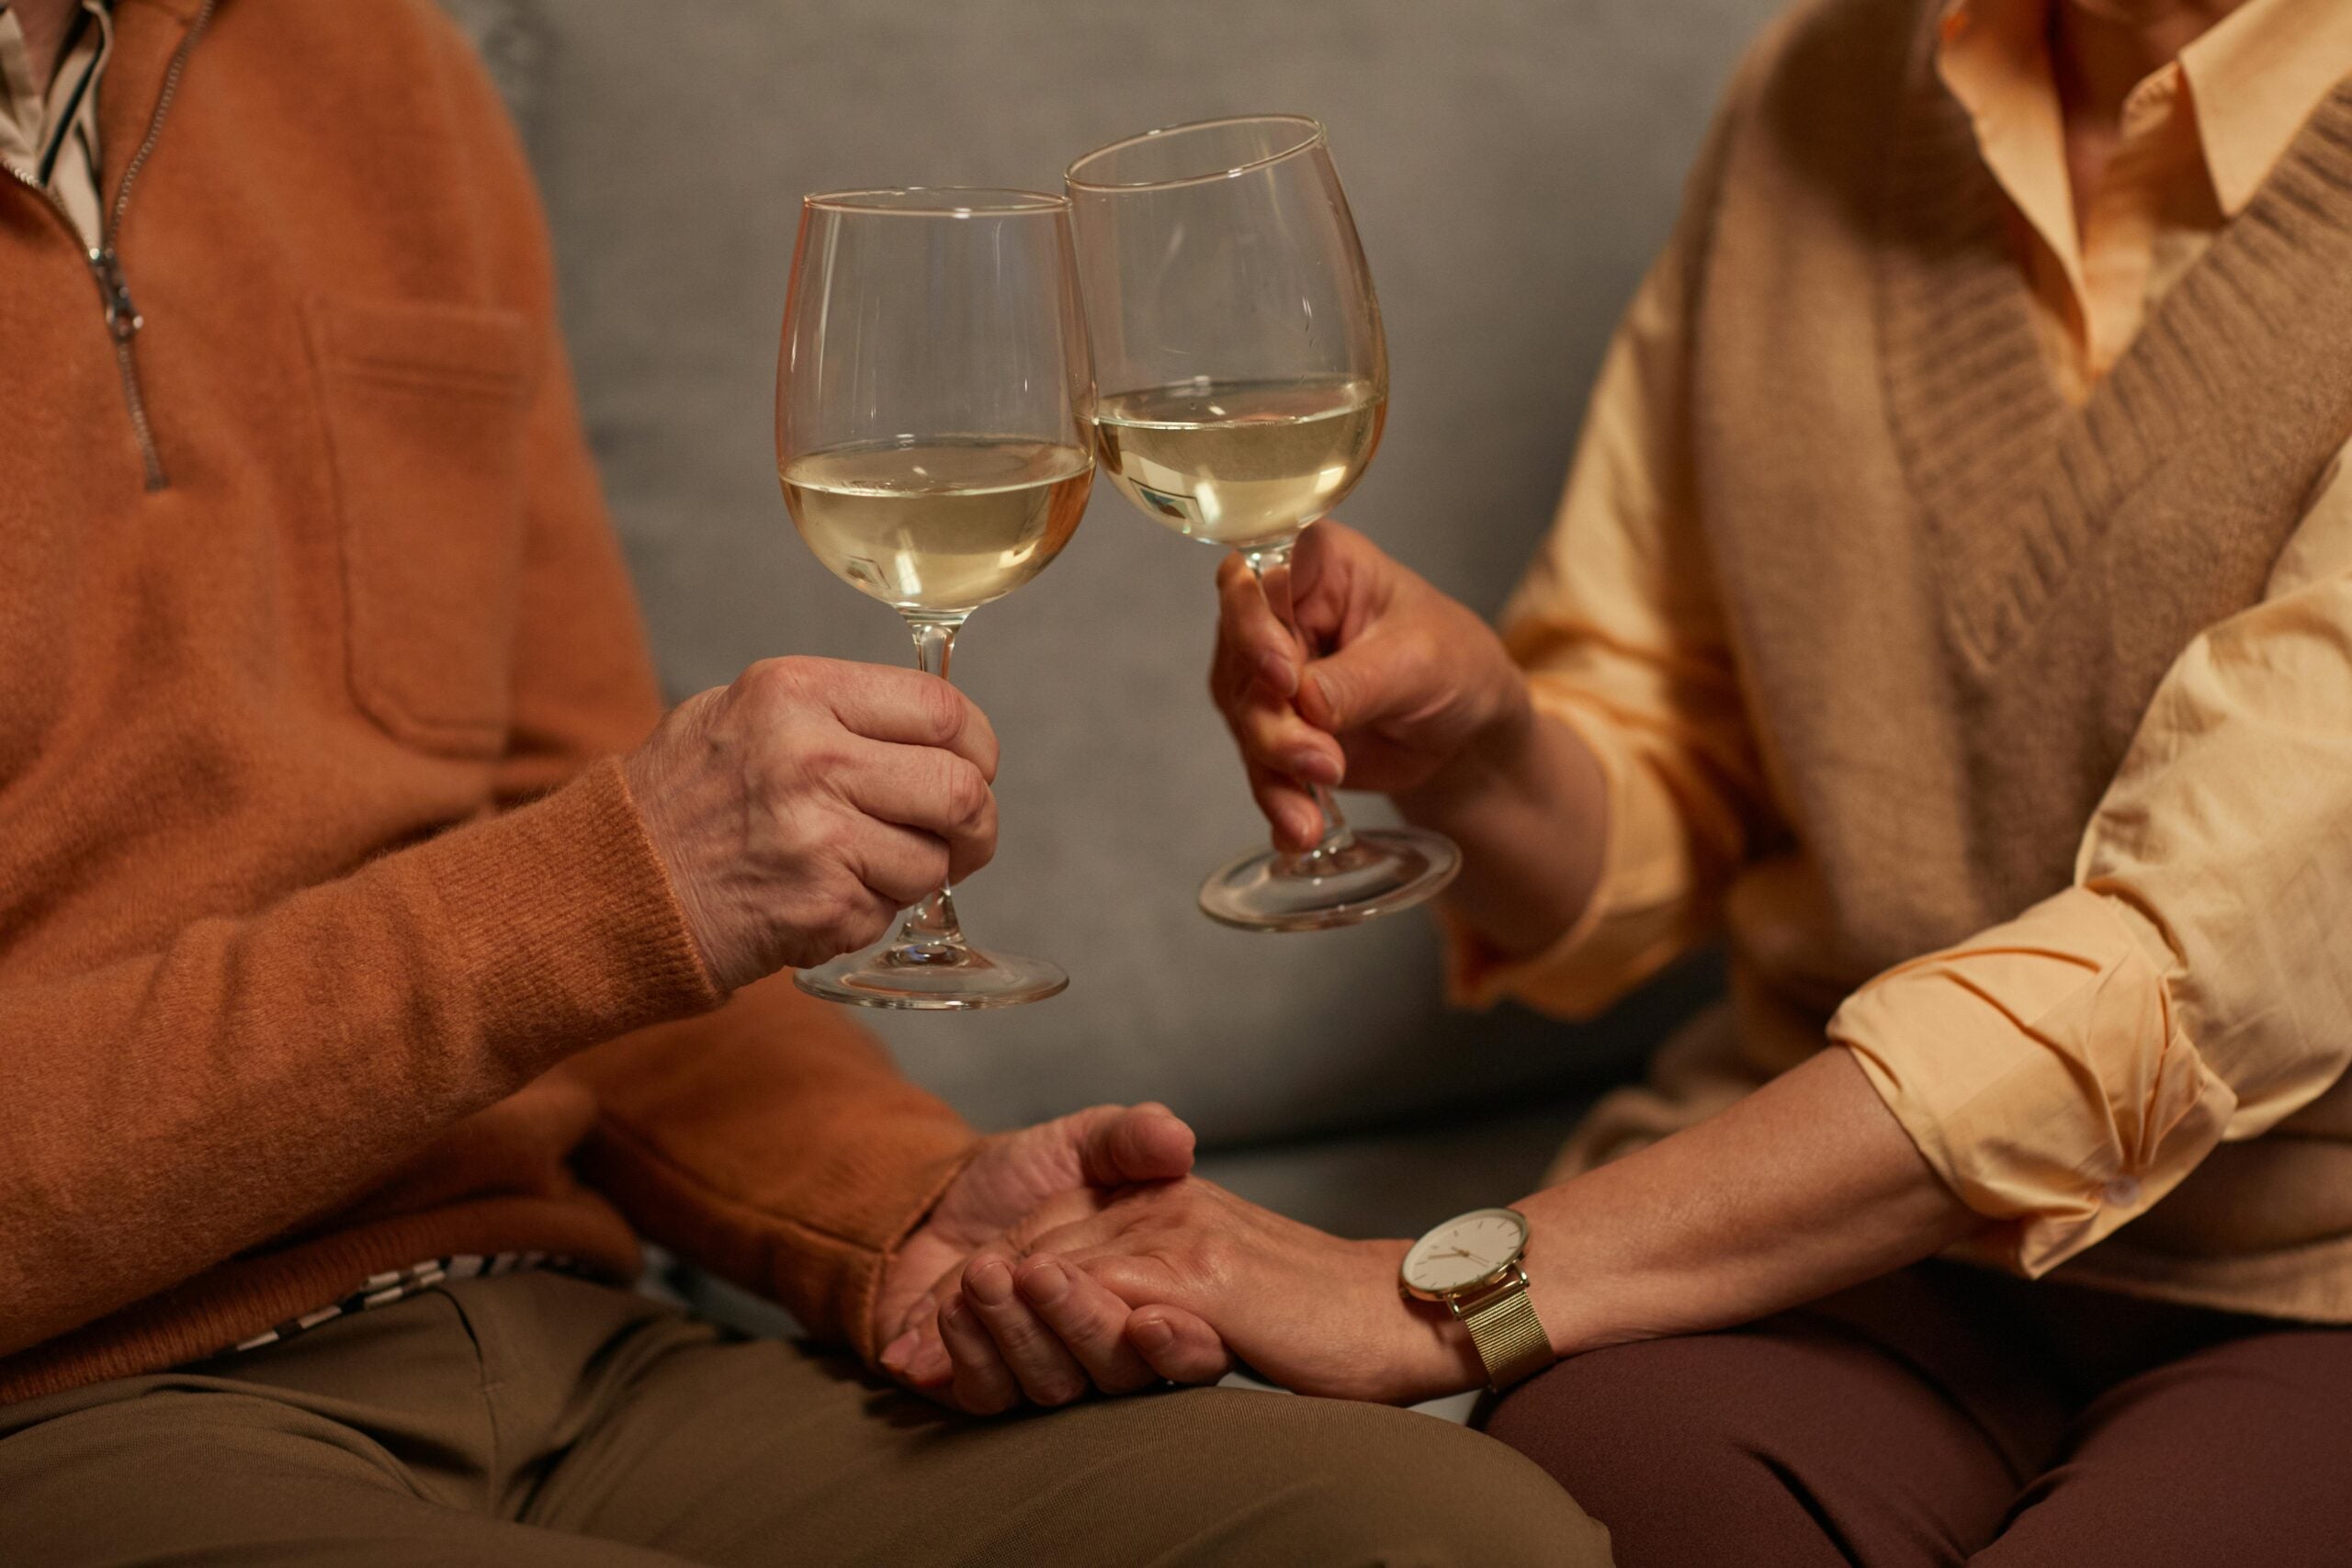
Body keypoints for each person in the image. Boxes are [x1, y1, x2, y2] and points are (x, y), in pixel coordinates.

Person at [0, 2, 1615, 1562]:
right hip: (83, 1409)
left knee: (1442, 1532)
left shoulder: (367, 64)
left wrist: (902, 1211)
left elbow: (583, 893)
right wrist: (602, 889)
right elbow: (581, 900)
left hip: (569, 1336)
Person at [908, 0, 2352, 1560]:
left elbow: (2188, 966)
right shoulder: (1825, 84)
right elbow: (1675, 757)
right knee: (1577, 1500)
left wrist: (1437, 1291)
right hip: (1835, 1240)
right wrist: (1486, 751)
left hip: (2307, 1268)